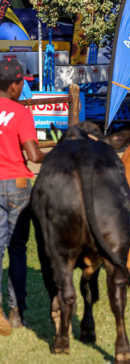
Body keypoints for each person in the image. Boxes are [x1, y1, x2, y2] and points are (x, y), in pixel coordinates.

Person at [0, 58, 44, 335]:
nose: (21, 88)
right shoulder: (20, 112)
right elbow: (33, 155)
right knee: (17, 249)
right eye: (21, 83)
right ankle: (16, 312)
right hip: (16, 184)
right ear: (14, 85)